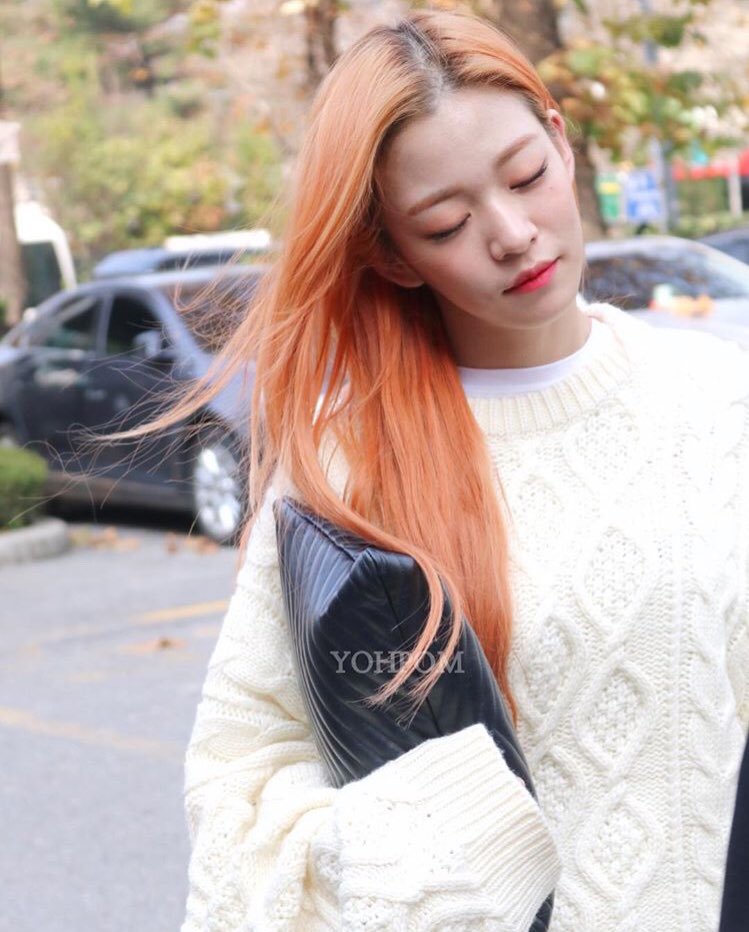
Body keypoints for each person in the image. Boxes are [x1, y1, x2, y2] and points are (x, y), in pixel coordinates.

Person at [122, 10, 749, 930]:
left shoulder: (718, 398)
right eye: (447, 222)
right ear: (393, 253)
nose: (511, 233)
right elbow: (236, 791)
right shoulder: (347, 464)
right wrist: (431, 844)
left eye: (526, 177)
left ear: (560, 141)